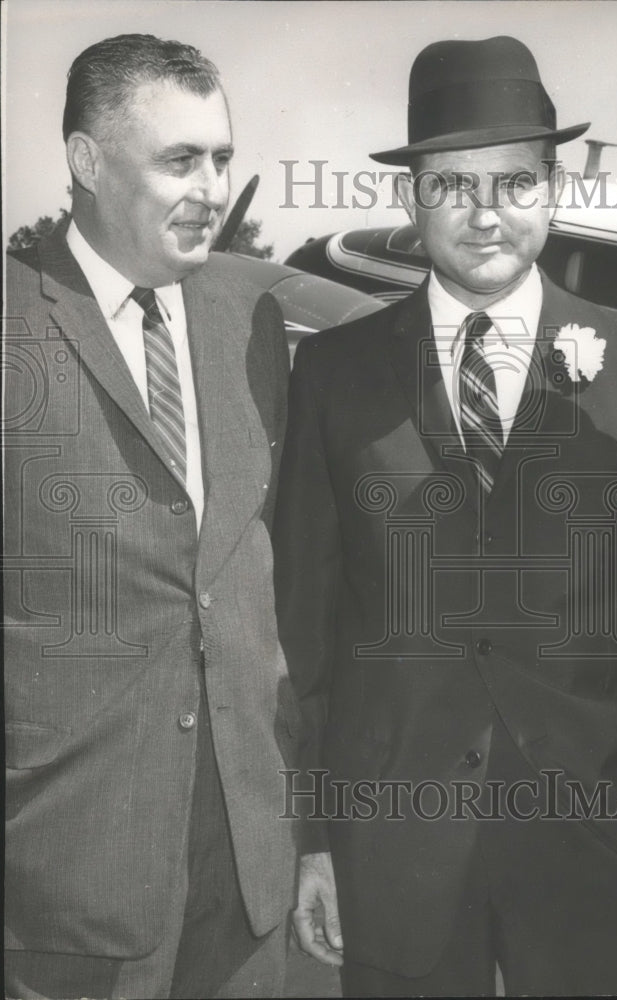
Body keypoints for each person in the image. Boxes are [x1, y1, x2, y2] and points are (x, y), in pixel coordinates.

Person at [274, 34, 617, 997]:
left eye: (512, 183)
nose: (482, 214)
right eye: (450, 185)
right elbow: (304, 623)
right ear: (410, 196)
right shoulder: (333, 375)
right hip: (392, 836)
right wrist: (313, 837)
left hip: (595, 835)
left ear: (552, 191)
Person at [4, 34, 297, 999]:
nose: (213, 185)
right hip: (65, 874)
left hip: (246, 864)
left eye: (221, 156)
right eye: (180, 159)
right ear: (87, 162)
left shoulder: (252, 318)